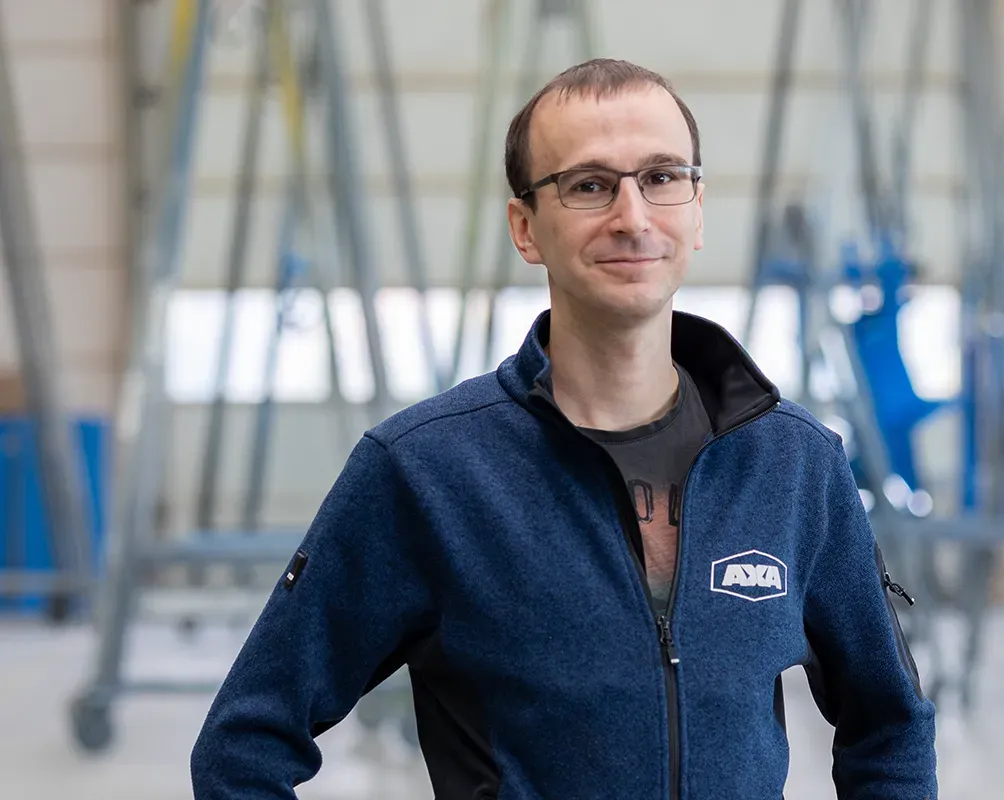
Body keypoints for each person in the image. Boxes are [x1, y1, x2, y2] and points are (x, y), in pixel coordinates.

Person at [191, 57, 937, 799]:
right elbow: (245, 746)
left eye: (662, 177)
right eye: (589, 186)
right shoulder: (426, 473)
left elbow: (890, 725)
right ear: (527, 227)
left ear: (698, 207)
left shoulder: (794, 464)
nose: (633, 216)